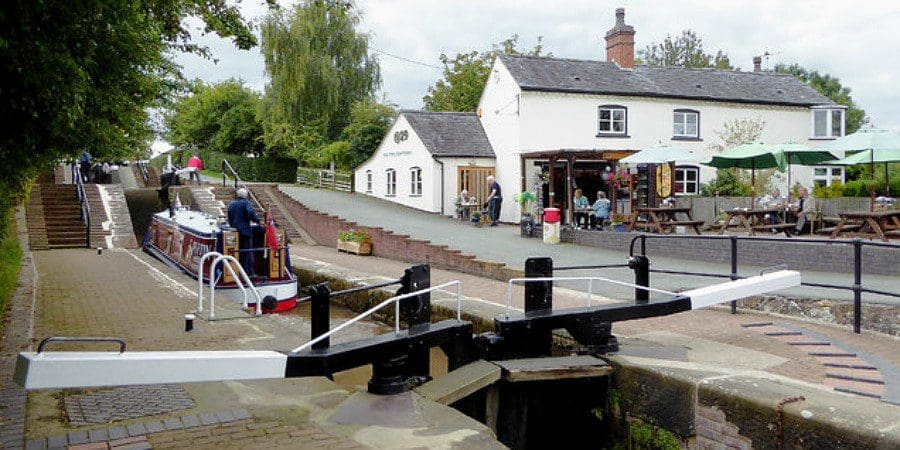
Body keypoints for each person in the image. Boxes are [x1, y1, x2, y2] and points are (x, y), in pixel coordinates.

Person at [227, 188, 261, 276]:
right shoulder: (246, 203)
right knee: (248, 252)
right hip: (245, 232)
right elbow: (250, 212)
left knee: (237, 252)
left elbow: (229, 217)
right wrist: (258, 221)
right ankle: (248, 273)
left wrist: (232, 225)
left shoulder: (231, 204)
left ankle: (237, 271)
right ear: (245, 196)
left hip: (234, 232)